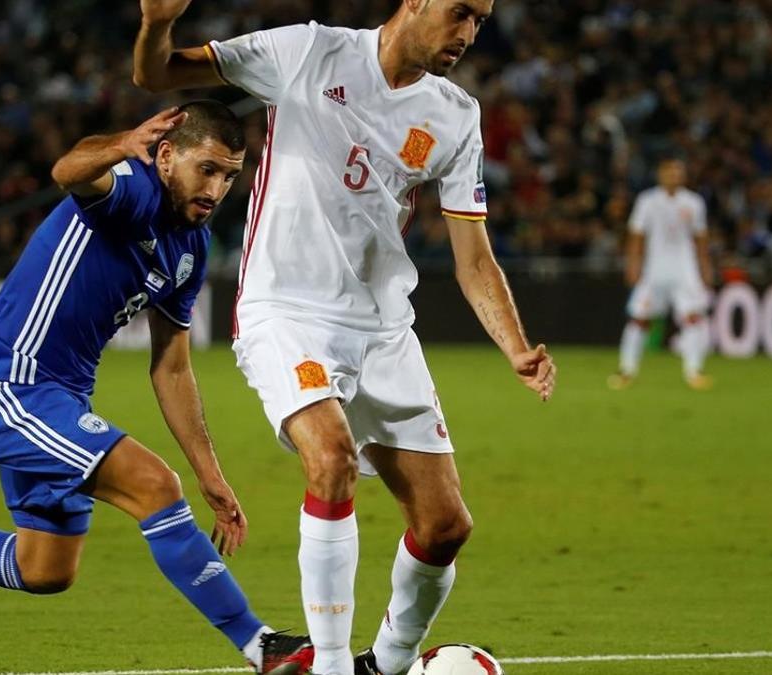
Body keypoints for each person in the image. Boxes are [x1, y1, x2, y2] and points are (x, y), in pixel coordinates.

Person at [133, 1, 557, 673]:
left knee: (445, 525)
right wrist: (157, 24)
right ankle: (329, 665)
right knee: (329, 458)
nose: (469, 34)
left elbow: (474, 256)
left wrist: (515, 345)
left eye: (480, 21)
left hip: (384, 326)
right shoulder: (308, 52)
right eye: (460, 13)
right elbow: (157, 75)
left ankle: (383, 664)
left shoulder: (454, 115)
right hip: (288, 310)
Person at [0, 101, 314, 674]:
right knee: (154, 485)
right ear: (165, 155)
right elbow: (69, 171)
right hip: (12, 386)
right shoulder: (132, 190)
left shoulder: (190, 247)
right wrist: (120, 142)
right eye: (206, 168)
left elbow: (172, 368)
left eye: (230, 175)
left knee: (45, 568)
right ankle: (261, 645)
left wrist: (212, 473)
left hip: (60, 400)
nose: (217, 187)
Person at [609, 158, 714, 391]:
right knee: (639, 319)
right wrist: (633, 265)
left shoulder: (694, 202)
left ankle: (694, 371)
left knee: (693, 318)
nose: (674, 176)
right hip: (654, 270)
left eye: (678, 172)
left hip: (685, 270)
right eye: (669, 172)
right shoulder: (647, 201)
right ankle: (627, 369)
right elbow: (636, 236)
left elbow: (701, 240)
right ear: (660, 174)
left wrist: (705, 269)